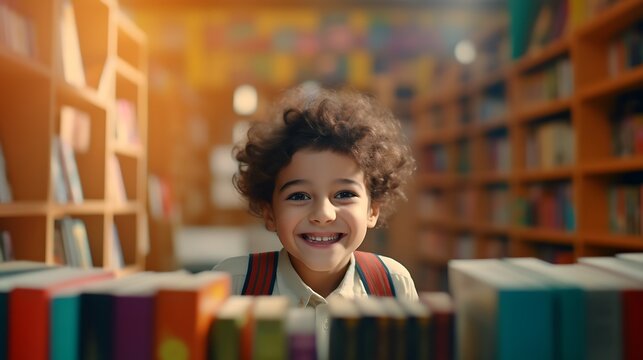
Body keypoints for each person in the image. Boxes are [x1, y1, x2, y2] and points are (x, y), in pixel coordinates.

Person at [213, 85, 418, 306]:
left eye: (344, 194)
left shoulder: (392, 284)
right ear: (270, 213)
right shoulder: (234, 285)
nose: (323, 214)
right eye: (299, 196)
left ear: (373, 210)